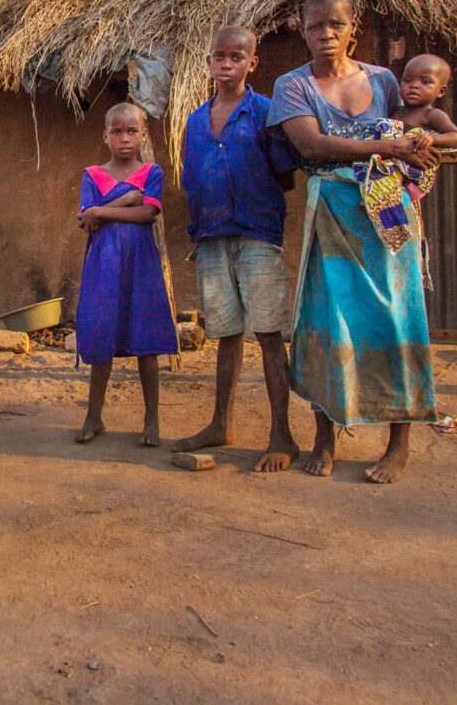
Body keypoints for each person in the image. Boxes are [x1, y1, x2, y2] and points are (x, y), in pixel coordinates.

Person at [268, 0, 441, 484]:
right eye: (316, 26)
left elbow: (421, 132)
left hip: (387, 213)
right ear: (303, 31)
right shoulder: (292, 85)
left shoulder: (386, 80)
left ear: (353, 29)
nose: (326, 34)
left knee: (396, 318)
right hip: (332, 213)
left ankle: (398, 443)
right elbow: (313, 145)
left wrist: (418, 148)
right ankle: (326, 437)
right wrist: (389, 146)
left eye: (336, 25)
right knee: (327, 323)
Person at [171, 27, 302, 472]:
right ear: (208, 63)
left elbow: (285, 175)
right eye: (219, 57)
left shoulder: (267, 113)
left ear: (252, 64)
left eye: (236, 57)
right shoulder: (194, 121)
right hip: (210, 235)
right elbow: (192, 177)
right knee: (225, 334)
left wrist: (249, 198)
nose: (226, 64)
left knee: (267, 334)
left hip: (256, 233)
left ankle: (281, 433)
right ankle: (219, 423)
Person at [73, 102, 179, 446]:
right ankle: (93, 416)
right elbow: (87, 218)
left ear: (144, 134)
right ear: (105, 135)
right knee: (102, 337)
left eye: (132, 131)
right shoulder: (92, 175)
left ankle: (152, 420)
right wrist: (123, 202)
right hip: (104, 268)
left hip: (141, 267)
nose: (124, 138)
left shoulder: (151, 173)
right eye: (116, 131)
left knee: (146, 342)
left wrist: (103, 211)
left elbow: (149, 213)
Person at [393, 53, 457, 148]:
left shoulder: (432, 115)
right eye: (408, 79)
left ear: (441, 91)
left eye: (425, 81)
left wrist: (432, 138)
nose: (414, 85)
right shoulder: (395, 110)